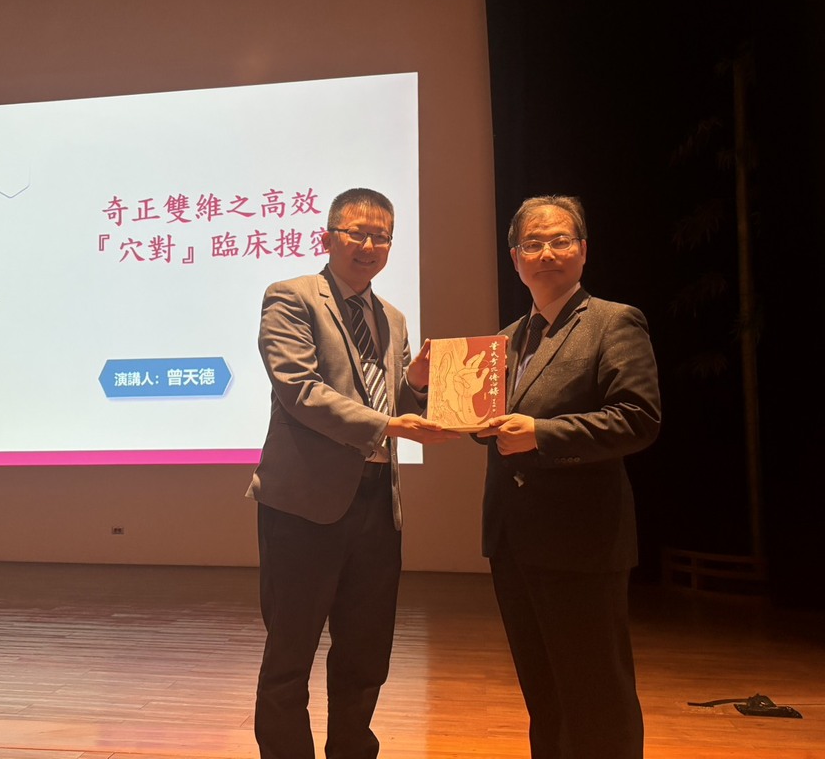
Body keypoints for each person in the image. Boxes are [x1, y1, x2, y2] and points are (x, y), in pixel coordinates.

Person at [246, 187, 458, 759]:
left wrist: (416, 385)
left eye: (381, 236)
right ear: (328, 237)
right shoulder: (291, 298)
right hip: (303, 505)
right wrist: (390, 423)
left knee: (366, 652)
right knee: (290, 653)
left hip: (378, 505)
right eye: (356, 233)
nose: (369, 245)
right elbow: (300, 390)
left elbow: (394, 404)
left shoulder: (392, 318)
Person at [475, 195, 661, 758]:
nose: (546, 253)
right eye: (533, 243)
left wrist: (542, 433)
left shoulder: (613, 321)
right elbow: (490, 424)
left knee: (597, 694)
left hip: (583, 542)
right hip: (513, 541)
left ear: (583, 251)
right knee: (545, 696)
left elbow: (638, 418)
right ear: (515, 258)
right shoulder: (505, 340)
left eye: (560, 241)